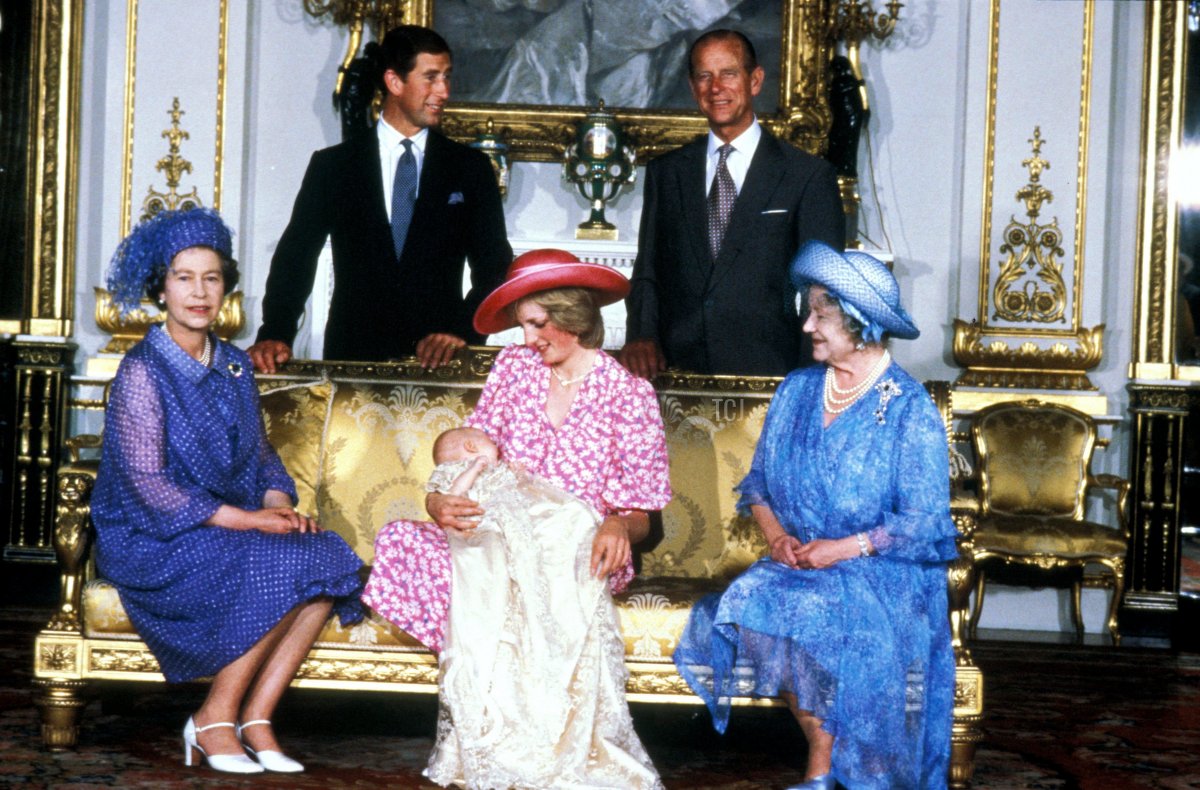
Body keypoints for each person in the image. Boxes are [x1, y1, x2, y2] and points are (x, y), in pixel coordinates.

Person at [362, 249, 671, 788]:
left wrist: (619, 525)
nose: (528, 339)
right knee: (401, 541)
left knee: (528, 587)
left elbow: (641, 511)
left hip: (578, 544)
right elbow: (469, 457)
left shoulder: (629, 393)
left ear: (571, 314)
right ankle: (496, 723)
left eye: (536, 324)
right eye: (523, 326)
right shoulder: (512, 369)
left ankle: (528, 740)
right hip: (500, 528)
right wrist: (440, 505)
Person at [673, 241, 959, 789]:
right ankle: (825, 765)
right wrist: (777, 536)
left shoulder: (908, 407)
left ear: (859, 321)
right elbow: (758, 483)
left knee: (826, 612)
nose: (807, 327)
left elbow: (924, 520)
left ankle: (821, 769)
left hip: (884, 570)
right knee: (749, 600)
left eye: (820, 315)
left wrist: (842, 549)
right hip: (800, 563)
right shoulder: (799, 390)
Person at [92, 208, 365, 775]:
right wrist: (248, 522)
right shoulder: (142, 371)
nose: (199, 292)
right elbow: (148, 489)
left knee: (325, 554)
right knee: (275, 560)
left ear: (226, 289)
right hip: (153, 537)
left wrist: (276, 503)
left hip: (226, 521)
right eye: (184, 277)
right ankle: (214, 716)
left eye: (211, 278)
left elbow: (261, 455)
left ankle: (256, 718)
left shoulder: (236, 364)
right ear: (160, 289)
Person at [249, 24, 512, 372]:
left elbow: (495, 268)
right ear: (394, 82)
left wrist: (461, 332)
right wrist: (276, 331)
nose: (444, 91)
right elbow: (296, 256)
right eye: (431, 77)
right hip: (352, 359)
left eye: (447, 77)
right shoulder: (333, 166)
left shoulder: (472, 168)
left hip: (440, 364)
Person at [622, 29, 844, 379]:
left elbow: (823, 288)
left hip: (772, 371)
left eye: (728, 73)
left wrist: (809, 375)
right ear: (693, 88)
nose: (716, 87)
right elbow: (648, 270)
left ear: (754, 81)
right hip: (677, 371)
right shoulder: (666, 173)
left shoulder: (807, 175)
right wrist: (641, 335)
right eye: (704, 76)